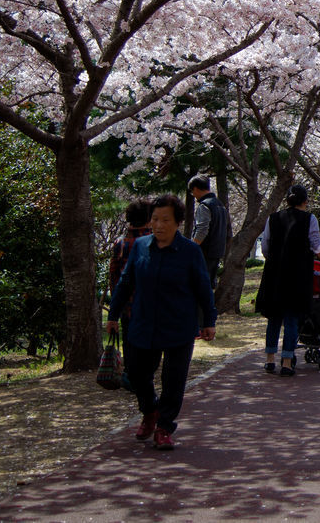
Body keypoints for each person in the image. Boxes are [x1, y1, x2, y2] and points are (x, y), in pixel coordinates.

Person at [107, 194, 216, 452]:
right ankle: (149, 411)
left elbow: (203, 288)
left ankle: (165, 427)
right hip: (143, 321)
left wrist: (209, 321)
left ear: (178, 222)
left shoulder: (190, 251)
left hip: (178, 324)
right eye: (155, 219)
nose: (159, 225)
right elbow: (125, 282)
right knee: (136, 373)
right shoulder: (141, 246)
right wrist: (113, 314)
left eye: (165, 220)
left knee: (174, 379)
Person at [255, 184, 320, 376]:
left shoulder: (273, 218)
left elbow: (265, 246)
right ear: (305, 201)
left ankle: (270, 360)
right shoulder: (309, 219)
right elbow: (315, 242)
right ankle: (287, 363)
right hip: (297, 274)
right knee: (291, 318)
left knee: (273, 317)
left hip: (274, 273)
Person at [108, 198, 152, 391]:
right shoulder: (154, 241)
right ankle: (144, 379)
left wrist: (114, 306)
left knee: (130, 341)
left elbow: (113, 275)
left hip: (126, 304)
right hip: (149, 303)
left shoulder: (120, 243)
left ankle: (131, 377)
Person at [187, 175, 231, 291]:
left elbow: (202, 230)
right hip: (217, 252)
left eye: (192, 192)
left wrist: (192, 247)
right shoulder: (220, 205)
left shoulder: (204, 205)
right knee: (209, 286)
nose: (193, 195)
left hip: (204, 252)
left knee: (199, 286)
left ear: (195, 188)